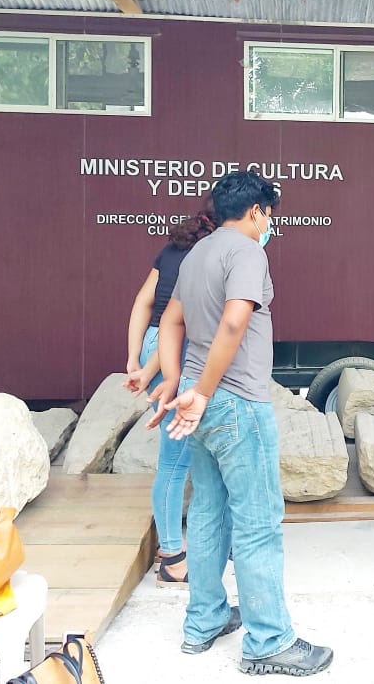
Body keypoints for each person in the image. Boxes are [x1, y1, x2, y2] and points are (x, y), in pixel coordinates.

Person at [149, 170, 333, 676]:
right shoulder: (248, 251)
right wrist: (202, 392)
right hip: (236, 403)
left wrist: (175, 382)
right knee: (257, 522)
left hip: (202, 403)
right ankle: (269, 642)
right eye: (269, 214)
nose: (269, 223)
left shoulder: (196, 253)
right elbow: (235, 320)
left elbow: (169, 322)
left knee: (208, 512)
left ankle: (203, 622)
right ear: (256, 211)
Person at [125, 210, 217, 587]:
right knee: (176, 460)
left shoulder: (171, 250)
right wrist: (159, 367)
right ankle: (172, 558)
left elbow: (144, 303)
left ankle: (200, 542)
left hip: (153, 344)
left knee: (186, 454)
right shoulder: (210, 257)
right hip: (176, 349)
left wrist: (135, 358)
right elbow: (174, 324)